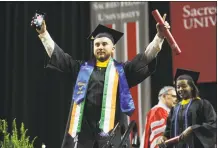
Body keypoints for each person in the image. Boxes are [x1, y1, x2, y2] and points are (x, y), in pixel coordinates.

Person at [33, 13, 170, 148]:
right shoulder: (81, 69)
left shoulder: (123, 71)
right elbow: (59, 57)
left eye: (104, 44)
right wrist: (44, 34)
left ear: (113, 48)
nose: (100, 47)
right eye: (97, 44)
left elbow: (145, 58)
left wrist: (159, 37)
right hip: (84, 136)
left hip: (112, 136)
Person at [157, 69, 217, 148]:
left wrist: (192, 129)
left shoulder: (203, 104)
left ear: (192, 87)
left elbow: (213, 125)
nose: (180, 89)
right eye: (178, 87)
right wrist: (163, 137)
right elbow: (169, 130)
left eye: (184, 86)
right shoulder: (175, 108)